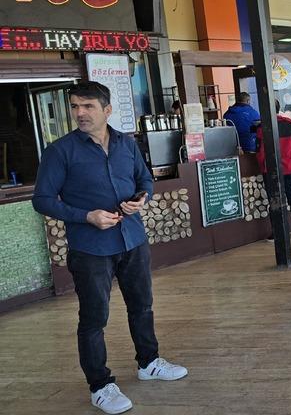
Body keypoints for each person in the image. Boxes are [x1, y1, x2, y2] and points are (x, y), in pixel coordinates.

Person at [32, 82, 187, 415]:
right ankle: (100, 386)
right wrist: (86, 216)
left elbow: (144, 179)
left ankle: (149, 362)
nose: (80, 113)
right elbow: (42, 199)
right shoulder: (60, 151)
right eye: (75, 106)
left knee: (142, 306)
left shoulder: (126, 144)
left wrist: (142, 198)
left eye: (87, 106)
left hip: (132, 238)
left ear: (107, 110)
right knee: (94, 318)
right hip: (90, 248)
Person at [256, 99, 291, 239]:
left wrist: (263, 166)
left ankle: (278, 232)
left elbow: (259, 152)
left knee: (275, 199)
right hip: (289, 168)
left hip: (271, 169)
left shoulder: (262, 128)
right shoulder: (290, 125)